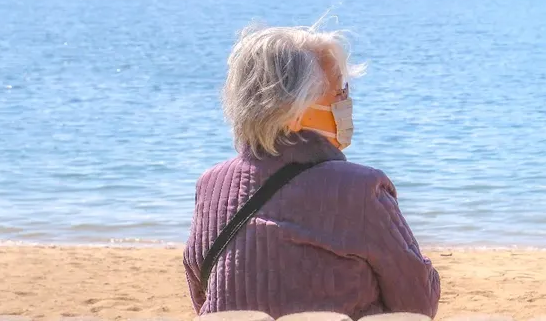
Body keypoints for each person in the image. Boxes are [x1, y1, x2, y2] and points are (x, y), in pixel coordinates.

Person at [184, 21, 440, 319]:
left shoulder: (210, 185)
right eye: (339, 92)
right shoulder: (361, 189)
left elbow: (202, 294)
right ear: (292, 111)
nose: (347, 102)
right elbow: (417, 303)